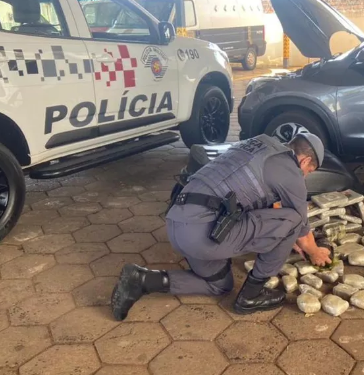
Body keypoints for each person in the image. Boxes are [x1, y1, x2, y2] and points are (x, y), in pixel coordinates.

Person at [111, 133, 332, 321]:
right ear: (305, 161)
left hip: (178, 224)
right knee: (294, 220)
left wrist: (283, 236)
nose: (305, 176)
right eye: (309, 171)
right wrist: (315, 252)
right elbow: (300, 226)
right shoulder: (290, 170)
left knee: (220, 285)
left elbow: (263, 199)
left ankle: (141, 279)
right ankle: (251, 295)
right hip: (202, 235)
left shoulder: (259, 143)